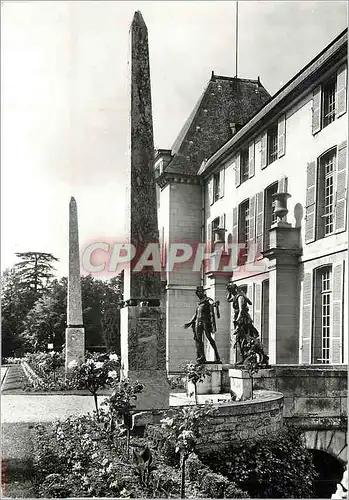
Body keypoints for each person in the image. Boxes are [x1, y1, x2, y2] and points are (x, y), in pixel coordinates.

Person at [226, 282, 269, 366]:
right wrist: (229, 293)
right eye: (229, 291)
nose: (230, 292)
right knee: (239, 339)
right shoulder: (235, 296)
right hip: (238, 319)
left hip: (243, 319)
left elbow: (241, 310)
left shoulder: (240, 297)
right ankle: (243, 358)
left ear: (233, 289)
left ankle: (260, 356)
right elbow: (228, 300)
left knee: (247, 339)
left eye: (230, 290)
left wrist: (238, 320)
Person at [184, 286, 221, 364]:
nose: (198, 294)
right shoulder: (199, 302)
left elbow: (213, 303)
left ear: (202, 292)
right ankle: (201, 357)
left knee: (209, 338)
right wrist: (190, 322)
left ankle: (217, 356)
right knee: (198, 340)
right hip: (198, 322)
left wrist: (215, 304)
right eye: (197, 293)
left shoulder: (208, 300)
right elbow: (196, 314)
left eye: (199, 292)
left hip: (205, 322)